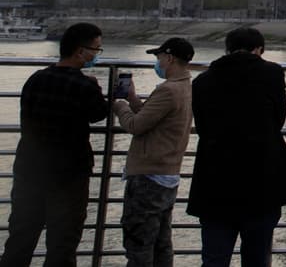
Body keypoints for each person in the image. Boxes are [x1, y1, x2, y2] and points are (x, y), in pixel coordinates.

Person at [0, 22, 111, 267]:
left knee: (20, 239)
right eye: (96, 49)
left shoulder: (35, 79)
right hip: (68, 176)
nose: (96, 55)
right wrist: (96, 88)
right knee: (62, 243)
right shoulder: (84, 86)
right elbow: (99, 113)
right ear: (80, 51)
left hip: (29, 168)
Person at [187, 27, 286, 267]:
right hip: (262, 179)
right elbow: (278, 118)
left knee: (215, 257)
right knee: (257, 255)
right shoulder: (271, 73)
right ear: (258, 49)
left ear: (227, 48)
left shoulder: (202, 81)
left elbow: (203, 127)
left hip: (214, 180)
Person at [112, 36, 196, 267]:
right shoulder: (185, 86)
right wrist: (133, 100)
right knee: (161, 242)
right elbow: (155, 118)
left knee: (139, 241)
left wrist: (120, 107)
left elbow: (136, 126)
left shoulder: (168, 90)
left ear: (169, 58)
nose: (157, 63)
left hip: (149, 176)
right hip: (167, 174)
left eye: (159, 57)